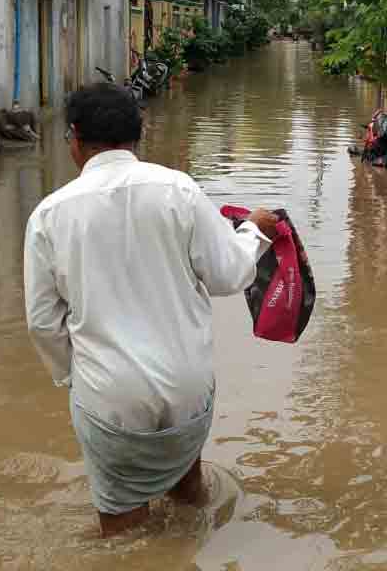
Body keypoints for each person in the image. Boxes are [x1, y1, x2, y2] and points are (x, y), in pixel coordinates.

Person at [23, 83, 278, 537]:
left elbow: (43, 322)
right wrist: (254, 232)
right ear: (138, 135)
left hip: (110, 393)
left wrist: (74, 374)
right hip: (187, 384)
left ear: (75, 139)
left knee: (123, 531)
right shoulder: (179, 189)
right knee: (189, 494)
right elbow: (229, 275)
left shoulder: (49, 214)